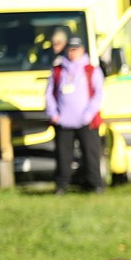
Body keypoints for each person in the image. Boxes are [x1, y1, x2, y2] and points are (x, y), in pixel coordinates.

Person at [45, 36, 105, 194]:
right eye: (70, 50)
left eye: (76, 49)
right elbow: (49, 94)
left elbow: (99, 93)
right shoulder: (58, 70)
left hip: (86, 121)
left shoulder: (91, 70)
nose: (73, 53)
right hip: (63, 121)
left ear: (82, 50)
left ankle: (95, 184)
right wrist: (53, 114)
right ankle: (62, 185)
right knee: (63, 155)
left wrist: (88, 114)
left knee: (91, 154)